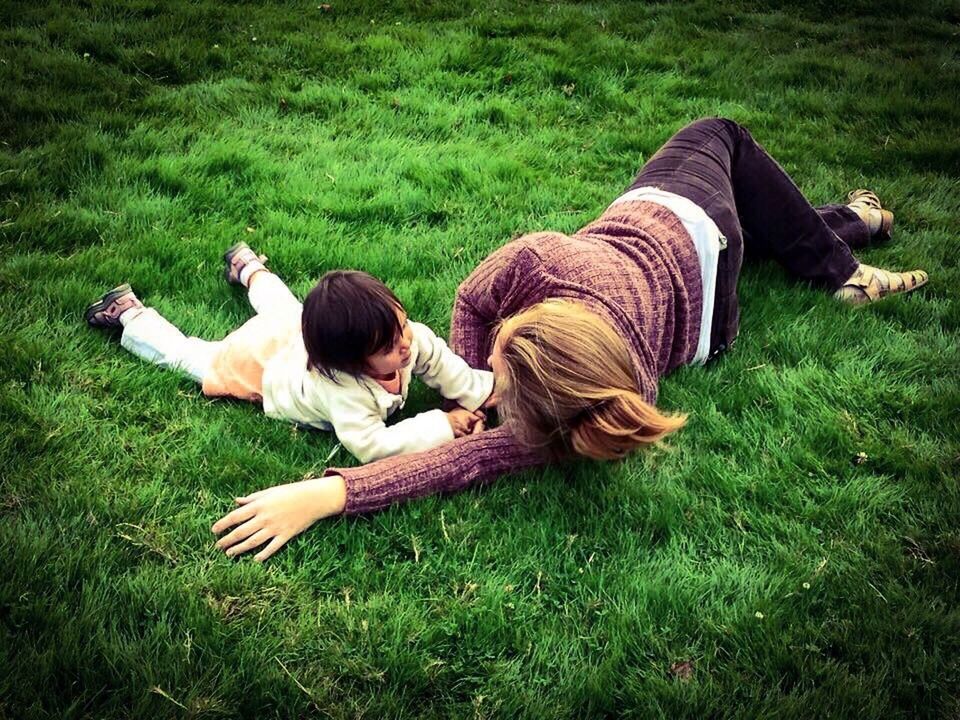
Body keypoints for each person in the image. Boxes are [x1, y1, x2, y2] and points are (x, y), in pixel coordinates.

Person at [211, 117, 929, 562]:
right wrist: (474, 381)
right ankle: (846, 242)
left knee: (733, 170)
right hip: (687, 233)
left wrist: (325, 495)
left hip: (699, 270)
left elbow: (454, 461)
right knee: (721, 140)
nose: (482, 360)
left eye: (493, 359)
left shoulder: (568, 361)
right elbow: (473, 316)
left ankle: (847, 246)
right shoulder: (548, 273)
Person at [85, 245, 494, 463]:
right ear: (347, 364)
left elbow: (438, 359)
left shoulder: (404, 339)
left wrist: (479, 390)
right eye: (388, 347)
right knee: (196, 359)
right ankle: (131, 316)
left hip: (293, 332)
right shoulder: (343, 389)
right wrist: (443, 424)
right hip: (265, 365)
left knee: (287, 311)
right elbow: (372, 445)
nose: (405, 343)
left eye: (402, 325)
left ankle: (247, 266)